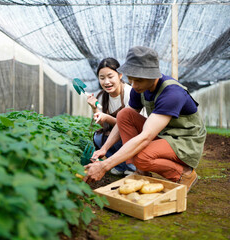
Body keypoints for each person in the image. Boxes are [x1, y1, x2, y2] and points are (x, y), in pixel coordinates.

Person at [84, 46, 206, 192]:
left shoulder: (172, 93)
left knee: (141, 157)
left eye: (139, 80)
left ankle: (184, 174)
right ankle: (141, 172)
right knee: (125, 114)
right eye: (131, 79)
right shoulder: (139, 88)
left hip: (185, 140)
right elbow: (124, 121)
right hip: (165, 134)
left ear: (154, 76)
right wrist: (104, 149)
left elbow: (146, 137)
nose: (134, 85)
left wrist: (104, 166)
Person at [86, 57, 137, 175]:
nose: (106, 82)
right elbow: (104, 124)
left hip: (133, 134)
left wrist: (108, 118)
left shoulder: (130, 93)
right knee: (98, 137)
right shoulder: (102, 96)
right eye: (102, 78)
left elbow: (132, 126)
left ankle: (132, 166)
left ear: (120, 75)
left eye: (110, 76)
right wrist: (94, 108)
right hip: (117, 133)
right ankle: (120, 167)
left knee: (124, 137)